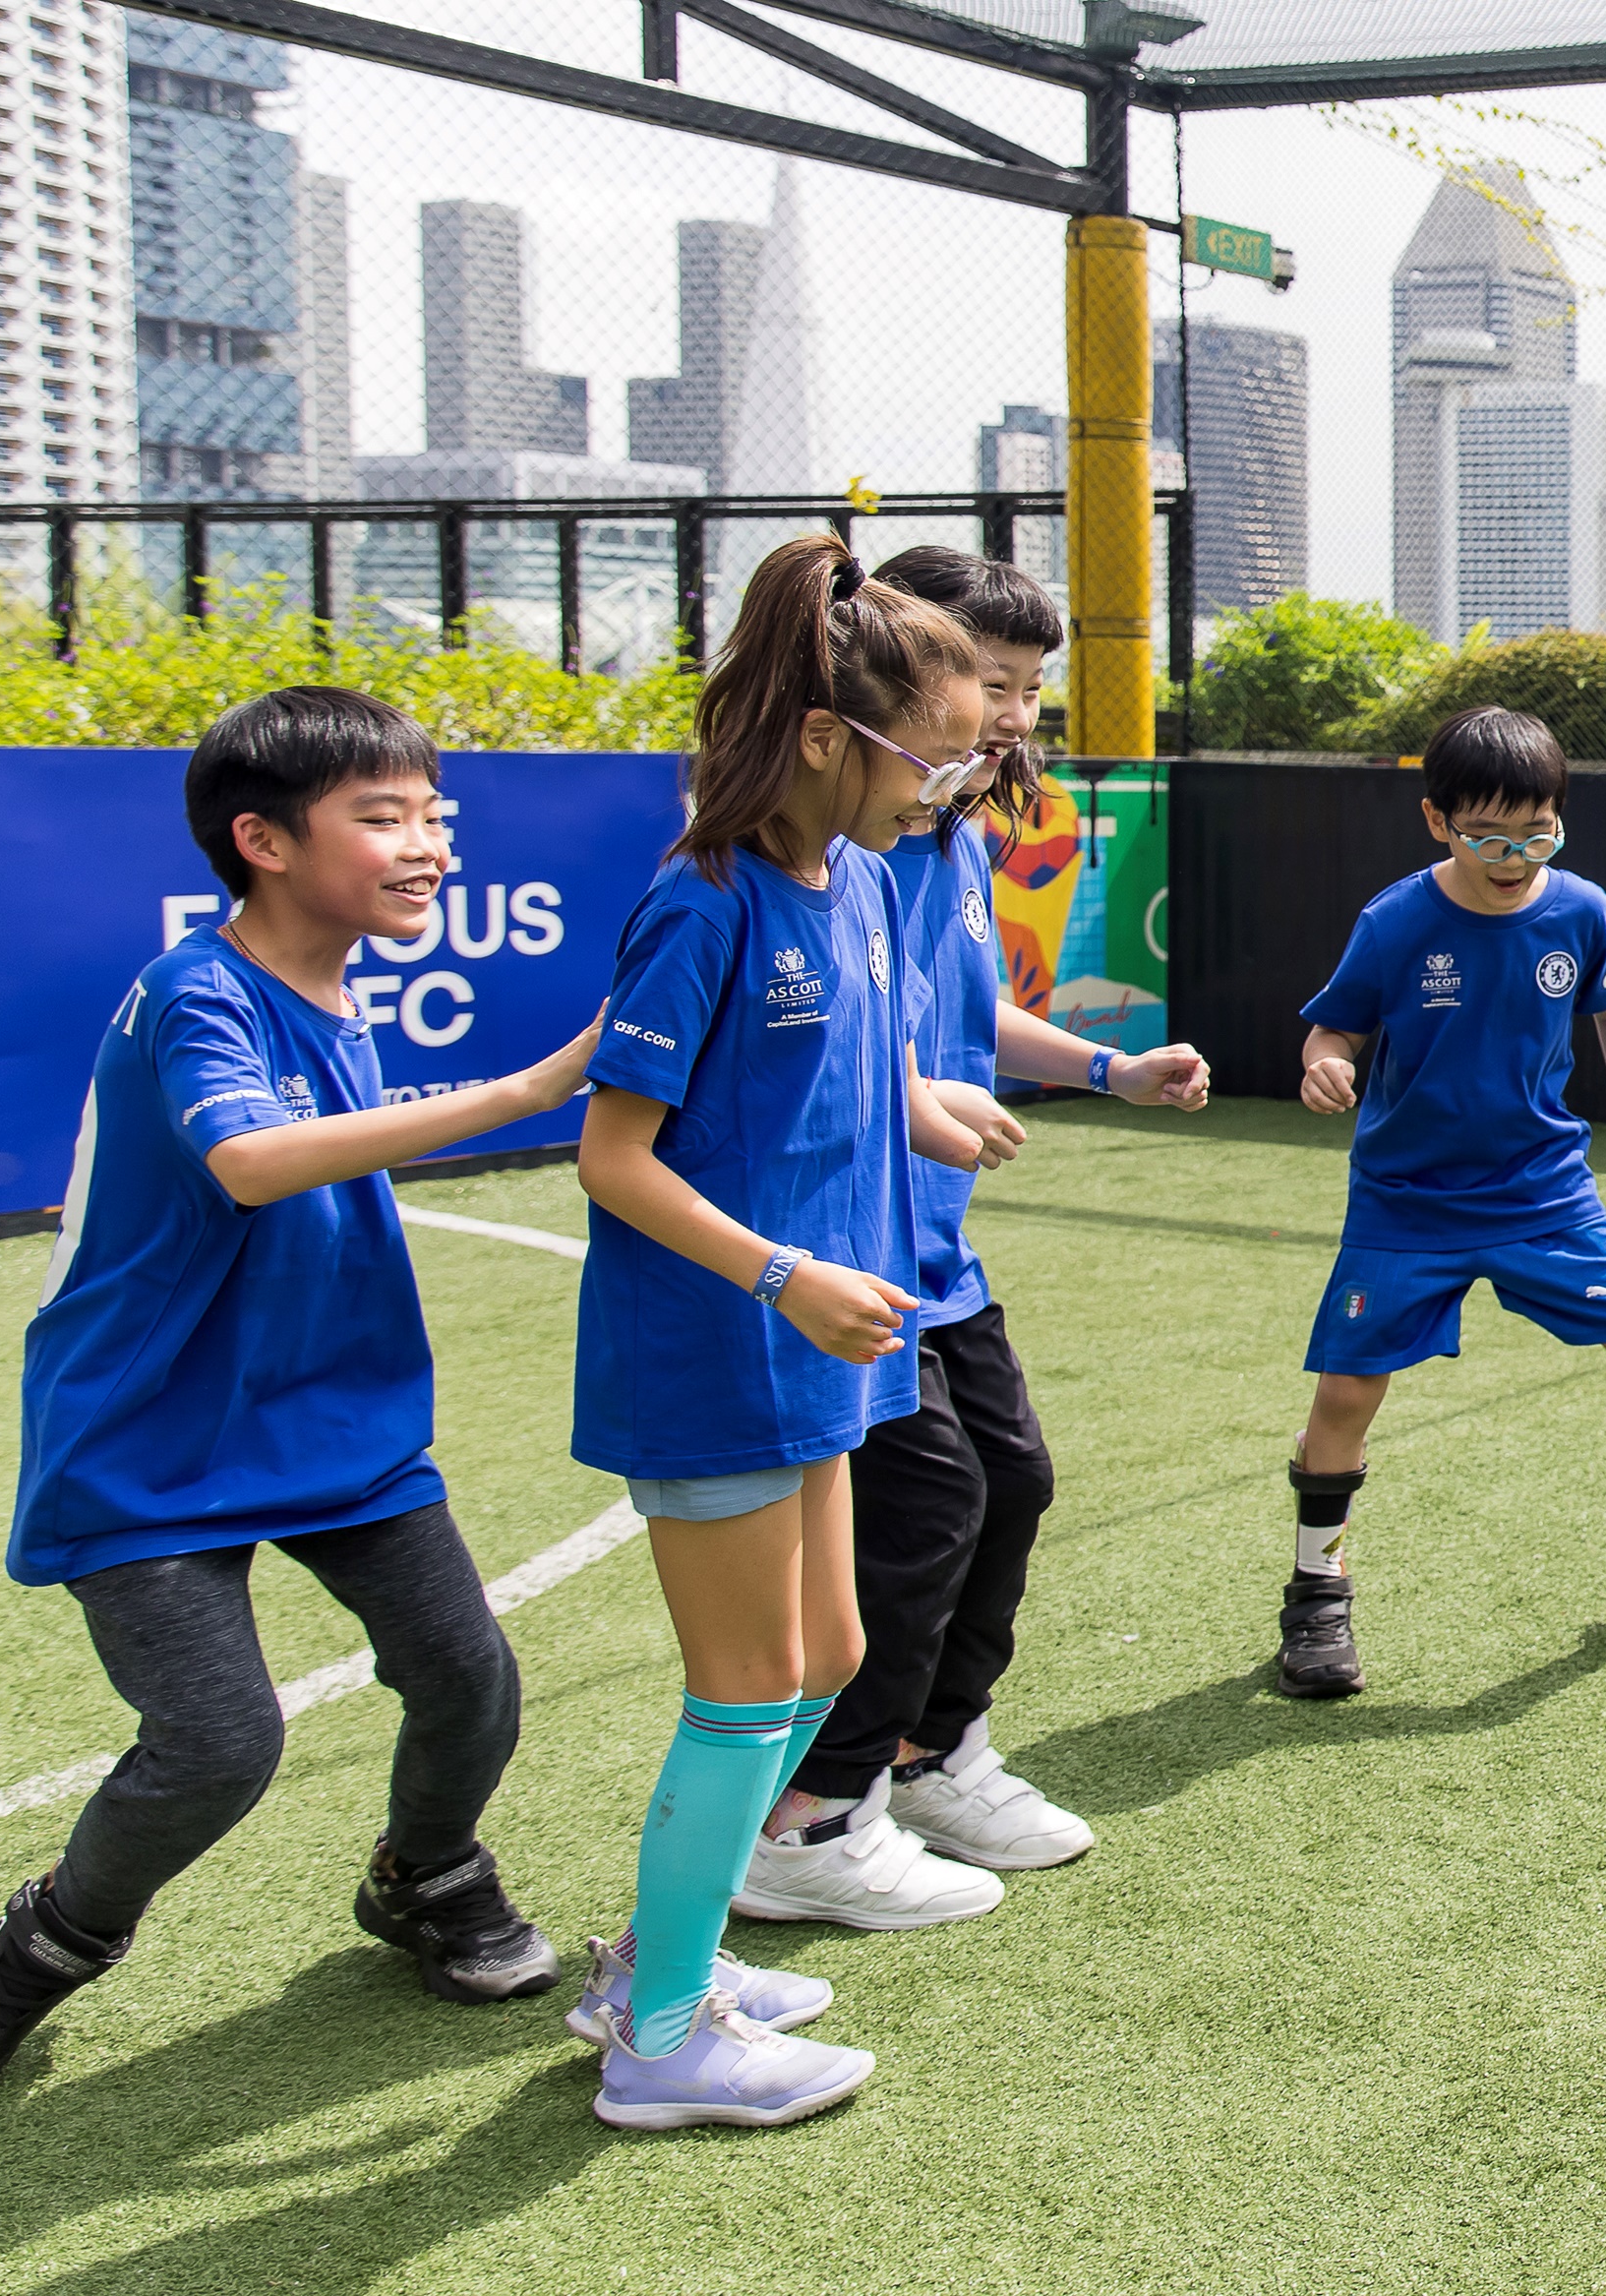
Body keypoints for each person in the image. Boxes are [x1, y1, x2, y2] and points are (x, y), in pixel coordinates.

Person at [0, 688, 597, 2091]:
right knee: (215, 1742)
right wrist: (526, 1090)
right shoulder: (194, 991)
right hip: (147, 1436)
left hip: (333, 1419)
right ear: (260, 840)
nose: (428, 844)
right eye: (383, 818)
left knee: (467, 1677)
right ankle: (40, 1952)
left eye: (434, 814)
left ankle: (425, 1875)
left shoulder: (333, 980)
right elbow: (251, 1161)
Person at [565, 535, 994, 2131]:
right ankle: (663, 2040)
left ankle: (657, 1956)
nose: (943, 790)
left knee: (823, 1654)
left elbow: (840, 1075)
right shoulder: (703, 898)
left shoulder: (871, 881)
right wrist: (782, 1275)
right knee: (747, 1681)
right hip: (720, 1347)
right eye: (927, 758)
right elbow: (617, 1153)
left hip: (833, 1337)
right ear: (825, 735)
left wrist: (925, 1106)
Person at [734, 543, 1213, 1919]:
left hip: (937, 1247)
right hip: (844, 1250)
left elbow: (948, 1021)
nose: (1009, 712)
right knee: (924, 1509)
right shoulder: (824, 844)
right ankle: (819, 1809)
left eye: (1026, 688)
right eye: (988, 681)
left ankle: (932, 1751)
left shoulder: (942, 832)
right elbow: (826, 1042)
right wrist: (906, 1099)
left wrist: (1109, 1070)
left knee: (1013, 1482)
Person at [1276, 704, 1606, 1701]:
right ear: (1437, 823)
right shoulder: (1395, 923)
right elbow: (1329, 1032)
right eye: (1487, 837)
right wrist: (1323, 1067)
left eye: (1536, 834)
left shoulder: (1582, 912)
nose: (1512, 857)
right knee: (1343, 1397)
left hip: (1539, 1191)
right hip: (1404, 1199)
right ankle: (1316, 1591)